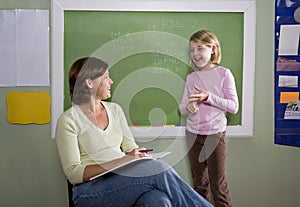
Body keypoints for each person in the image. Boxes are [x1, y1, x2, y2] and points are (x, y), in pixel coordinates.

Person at [55, 56, 213, 207]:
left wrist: (140, 155)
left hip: (125, 181)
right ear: (90, 82)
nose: (111, 81)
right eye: (106, 77)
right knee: (160, 169)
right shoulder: (68, 120)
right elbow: (73, 173)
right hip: (90, 192)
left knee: (159, 200)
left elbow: (130, 147)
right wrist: (123, 161)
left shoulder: (115, 110)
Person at [179, 30, 239, 207]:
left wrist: (209, 97)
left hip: (214, 135)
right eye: (191, 50)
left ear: (212, 49)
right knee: (199, 185)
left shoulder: (224, 74)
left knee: (218, 186)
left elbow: (233, 107)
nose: (195, 54)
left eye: (199, 48)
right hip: (193, 135)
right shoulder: (191, 77)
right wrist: (189, 107)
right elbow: (182, 107)